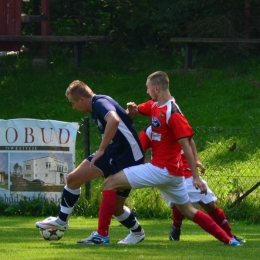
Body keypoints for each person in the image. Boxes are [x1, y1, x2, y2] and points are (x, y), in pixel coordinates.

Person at [81, 71, 241, 246]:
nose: (147, 92)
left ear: (156, 88)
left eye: (148, 88)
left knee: (110, 183)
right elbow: (133, 113)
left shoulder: (173, 113)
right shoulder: (155, 106)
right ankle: (229, 241)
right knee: (189, 211)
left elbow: (187, 145)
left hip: (162, 169)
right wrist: (131, 109)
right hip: (173, 175)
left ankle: (102, 236)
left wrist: (195, 177)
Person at [36, 80, 146, 245]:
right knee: (73, 179)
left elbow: (114, 121)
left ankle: (135, 233)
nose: (73, 107)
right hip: (113, 152)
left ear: (82, 99)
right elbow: (121, 120)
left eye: (73, 103)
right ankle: (62, 221)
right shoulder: (99, 104)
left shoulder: (100, 102)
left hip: (127, 157)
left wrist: (101, 149)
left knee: (116, 208)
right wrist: (129, 115)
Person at [139, 124, 245, 243]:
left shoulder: (177, 121)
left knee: (208, 204)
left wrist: (197, 160)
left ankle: (229, 235)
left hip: (188, 171)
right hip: (169, 173)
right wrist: (153, 167)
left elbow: (190, 140)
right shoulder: (149, 131)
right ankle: (227, 238)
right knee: (181, 204)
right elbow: (138, 153)